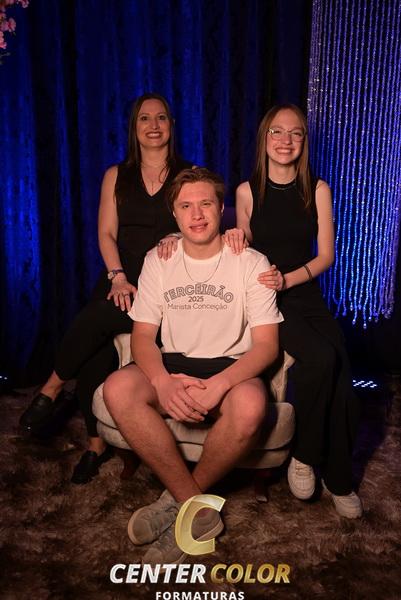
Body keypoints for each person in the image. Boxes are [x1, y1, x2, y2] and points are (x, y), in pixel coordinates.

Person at [103, 167, 283, 564]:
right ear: (174, 213)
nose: (196, 214)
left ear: (221, 208)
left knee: (251, 407)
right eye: (185, 206)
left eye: (205, 204)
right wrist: (162, 381)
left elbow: (267, 347)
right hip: (173, 363)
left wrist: (220, 384)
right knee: (116, 388)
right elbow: (142, 336)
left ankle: (176, 503)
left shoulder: (251, 262)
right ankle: (198, 512)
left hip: (231, 367)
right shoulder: (158, 259)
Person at [19, 93, 193, 484]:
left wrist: (177, 237)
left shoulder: (189, 174)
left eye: (161, 118)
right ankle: (95, 444)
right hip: (120, 277)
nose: (153, 125)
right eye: (144, 118)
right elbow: (106, 233)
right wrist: (117, 275)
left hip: (164, 287)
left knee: (98, 316)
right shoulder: (116, 175)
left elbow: (201, 222)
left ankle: (51, 388)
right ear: (134, 127)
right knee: (95, 346)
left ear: (172, 125)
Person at [225, 104, 362, 518]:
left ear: (303, 141)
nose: (286, 141)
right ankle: (305, 456)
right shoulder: (247, 191)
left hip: (303, 291)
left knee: (341, 364)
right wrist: (234, 236)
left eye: (296, 133)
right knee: (320, 357)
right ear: (264, 139)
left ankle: (338, 478)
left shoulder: (317, 189)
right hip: (266, 299)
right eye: (277, 132)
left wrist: (289, 279)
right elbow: (243, 243)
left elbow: (326, 257)